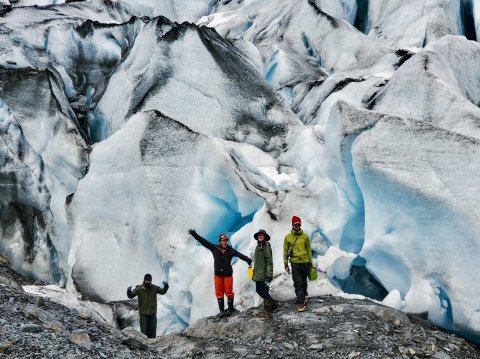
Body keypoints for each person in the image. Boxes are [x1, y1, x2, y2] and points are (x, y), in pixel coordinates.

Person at [188, 229, 252, 317]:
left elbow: (240, 255)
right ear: (220, 241)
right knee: (219, 292)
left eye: (226, 240)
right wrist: (195, 235)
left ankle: (230, 309)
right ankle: (222, 311)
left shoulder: (231, 250)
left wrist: (248, 260)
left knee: (229, 292)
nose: (224, 242)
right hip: (218, 275)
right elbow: (204, 242)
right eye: (223, 240)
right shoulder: (214, 248)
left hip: (228, 275)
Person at [283, 216, 313, 312]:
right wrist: (285, 263)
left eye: (298, 224)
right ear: (292, 225)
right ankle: (301, 303)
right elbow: (285, 250)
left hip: (305, 262)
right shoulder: (288, 237)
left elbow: (308, 250)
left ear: (300, 225)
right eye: (295, 224)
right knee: (298, 283)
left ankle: (303, 297)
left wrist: (310, 262)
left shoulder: (305, 236)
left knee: (304, 282)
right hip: (295, 263)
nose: (297, 226)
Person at [127, 274, 169, 338]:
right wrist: (129, 291)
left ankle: (152, 343)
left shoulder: (154, 287)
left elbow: (162, 292)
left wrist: (165, 287)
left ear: (151, 280)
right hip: (143, 313)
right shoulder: (139, 288)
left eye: (149, 281)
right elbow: (130, 296)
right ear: (144, 280)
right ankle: (144, 344)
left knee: (152, 329)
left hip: (152, 312)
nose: (148, 282)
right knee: (144, 331)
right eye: (147, 280)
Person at [252, 229, 278, 318]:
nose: (260, 236)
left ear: (265, 237)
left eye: (262, 235)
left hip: (264, 274)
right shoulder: (258, 246)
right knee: (258, 290)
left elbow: (269, 261)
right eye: (259, 235)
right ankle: (274, 304)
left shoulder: (266, 246)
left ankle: (268, 311)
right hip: (258, 274)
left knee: (264, 291)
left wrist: (269, 274)